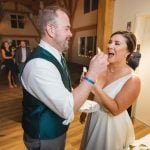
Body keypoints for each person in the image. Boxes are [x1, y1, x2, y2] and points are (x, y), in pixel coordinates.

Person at [20, 5, 108, 150]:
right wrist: (92, 74)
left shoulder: (57, 55)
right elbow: (67, 109)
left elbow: (61, 89)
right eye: (66, 28)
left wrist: (80, 87)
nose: (71, 34)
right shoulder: (39, 65)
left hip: (56, 131)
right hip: (45, 137)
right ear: (51, 30)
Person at [80, 31, 141, 150]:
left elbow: (115, 109)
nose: (109, 46)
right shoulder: (101, 68)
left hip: (112, 127)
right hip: (94, 117)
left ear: (128, 52)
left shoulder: (133, 80)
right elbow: (92, 95)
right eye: (110, 42)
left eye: (117, 43)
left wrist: (93, 85)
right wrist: (84, 111)